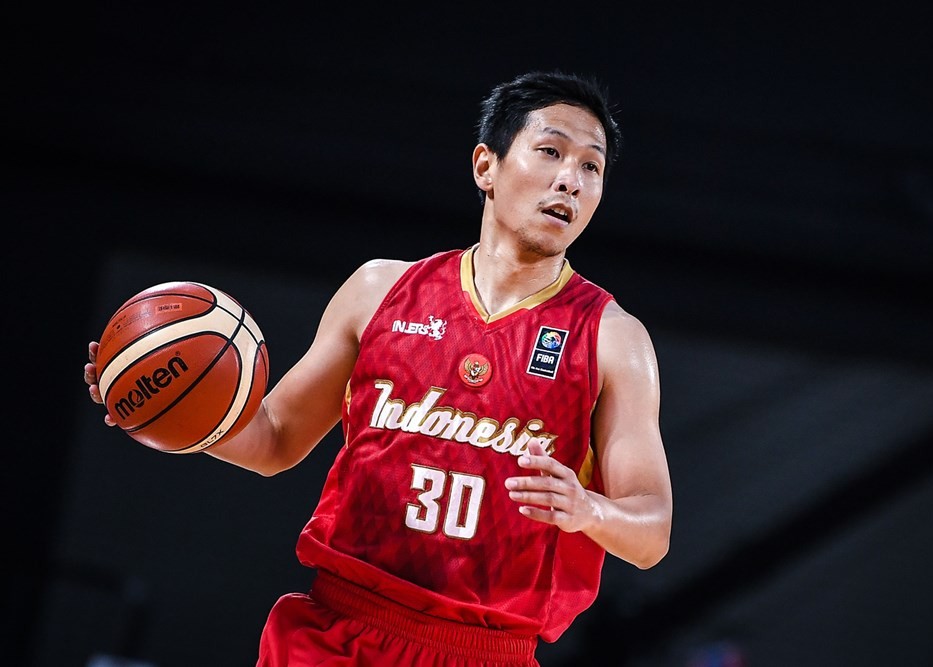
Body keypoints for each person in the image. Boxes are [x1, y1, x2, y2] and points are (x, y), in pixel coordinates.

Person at [84, 70, 673, 667]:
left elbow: (651, 532)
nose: (571, 179)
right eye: (550, 151)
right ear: (485, 166)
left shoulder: (611, 338)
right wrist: (170, 409)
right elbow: (275, 439)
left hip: (484, 649)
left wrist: (589, 509)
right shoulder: (378, 290)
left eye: (591, 166)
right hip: (338, 630)